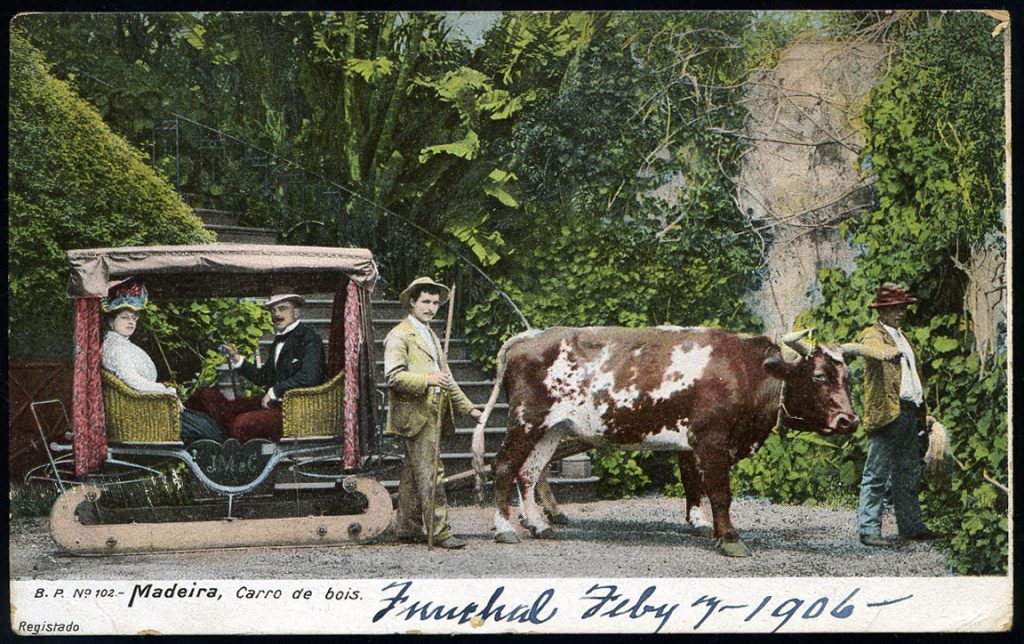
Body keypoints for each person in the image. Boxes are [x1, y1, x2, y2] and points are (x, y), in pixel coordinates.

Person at [384, 277, 482, 549]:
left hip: (434, 412)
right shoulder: (400, 335)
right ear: (412, 302)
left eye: (435, 303)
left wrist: (470, 409)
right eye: (425, 301)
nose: (431, 308)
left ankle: (407, 526)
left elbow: (447, 378)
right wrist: (427, 379)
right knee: (430, 473)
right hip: (416, 415)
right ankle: (440, 532)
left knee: (413, 474)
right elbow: (393, 377)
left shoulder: (431, 335)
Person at [847, 283, 935, 546]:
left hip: (909, 412)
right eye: (894, 309)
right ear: (881, 312)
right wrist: (885, 353)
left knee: (908, 472)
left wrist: (924, 411)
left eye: (902, 308)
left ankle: (911, 527)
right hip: (887, 412)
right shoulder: (873, 335)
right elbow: (871, 348)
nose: (900, 313)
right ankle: (869, 529)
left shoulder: (902, 337)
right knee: (876, 473)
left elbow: (913, 379)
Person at [189, 290, 326, 442]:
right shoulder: (278, 342)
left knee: (242, 424)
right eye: (273, 311)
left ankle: (235, 454)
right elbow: (263, 378)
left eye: (282, 309)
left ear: (296, 312)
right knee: (206, 396)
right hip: (273, 405)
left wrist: (275, 391)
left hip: (294, 411)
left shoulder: (310, 340)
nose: (276, 315)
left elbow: (310, 377)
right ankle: (221, 443)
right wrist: (237, 359)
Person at [100, 280, 225, 444]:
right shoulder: (115, 349)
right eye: (124, 317)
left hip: (148, 405)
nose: (131, 322)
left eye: (134, 318)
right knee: (205, 427)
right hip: (143, 411)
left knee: (206, 422)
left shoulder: (121, 344)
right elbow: (132, 380)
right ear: (111, 321)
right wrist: (165, 390)